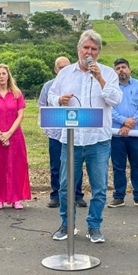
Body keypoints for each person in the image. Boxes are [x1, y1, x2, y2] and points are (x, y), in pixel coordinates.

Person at [48, 30, 123, 243]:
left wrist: (99, 78)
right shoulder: (65, 73)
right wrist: (58, 100)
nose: (89, 52)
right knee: (65, 186)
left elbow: (115, 99)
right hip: (70, 140)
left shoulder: (108, 73)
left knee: (99, 187)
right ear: (78, 49)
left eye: (94, 49)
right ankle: (67, 224)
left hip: (97, 140)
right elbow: (51, 96)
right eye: (86, 48)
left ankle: (94, 226)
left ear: (98, 52)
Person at [38, 56, 86, 208]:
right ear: (55, 69)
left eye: (66, 66)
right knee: (56, 166)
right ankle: (56, 195)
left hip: (75, 133)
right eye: (60, 67)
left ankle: (77, 195)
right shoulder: (48, 86)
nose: (63, 70)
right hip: (56, 134)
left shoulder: (77, 84)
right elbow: (42, 107)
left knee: (76, 164)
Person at [0, 64, 31, 209]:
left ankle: (16, 198)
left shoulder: (17, 94)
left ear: (8, 75)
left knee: (16, 166)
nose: (1, 76)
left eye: (4, 73)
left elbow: (20, 115)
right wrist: (0, 134)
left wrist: (9, 133)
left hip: (15, 136)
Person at [108, 58, 138, 208]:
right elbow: (109, 109)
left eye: (124, 67)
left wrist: (131, 124)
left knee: (137, 165)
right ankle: (119, 196)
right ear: (114, 72)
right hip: (117, 134)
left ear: (129, 69)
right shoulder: (111, 88)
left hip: (137, 134)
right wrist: (124, 121)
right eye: (118, 68)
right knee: (118, 167)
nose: (121, 70)